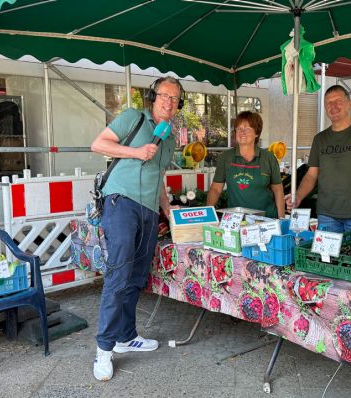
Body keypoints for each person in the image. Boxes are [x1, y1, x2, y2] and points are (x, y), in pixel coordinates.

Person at [89, 76, 183, 381]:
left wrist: (168, 211)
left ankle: (126, 336)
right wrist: (136, 151)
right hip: (120, 203)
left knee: (137, 276)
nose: (169, 102)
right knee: (118, 274)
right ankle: (104, 350)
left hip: (147, 210)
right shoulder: (133, 117)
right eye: (164, 96)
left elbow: (159, 178)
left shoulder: (168, 137)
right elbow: (98, 144)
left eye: (175, 99)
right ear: (153, 96)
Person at [286, 85, 351, 233]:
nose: (333, 106)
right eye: (328, 103)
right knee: (327, 257)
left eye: (338, 101)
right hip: (327, 216)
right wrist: (298, 196)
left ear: (349, 103)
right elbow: (312, 175)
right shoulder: (320, 139)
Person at [206, 111, 285, 218]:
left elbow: (278, 190)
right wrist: (208, 214)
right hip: (236, 220)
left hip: (266, 220)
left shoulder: (269, 158)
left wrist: (282, 219)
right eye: (239, 129)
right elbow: (216, 189)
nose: (242, 132)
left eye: (247, 129)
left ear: (257, 133)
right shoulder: (226, 157)